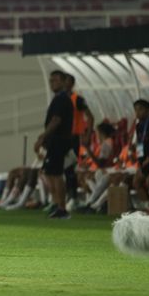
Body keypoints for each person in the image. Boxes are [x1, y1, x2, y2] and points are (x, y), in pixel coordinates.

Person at [34, 70, 73, 219]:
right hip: (55, 141)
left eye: (55, 80)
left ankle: (62, 207)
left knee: (56, 174)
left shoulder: (62, 99)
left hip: (59, 141)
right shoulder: (58, 99)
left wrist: (42, 137)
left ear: (64, 82)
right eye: (51, 81)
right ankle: (57, 205)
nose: (52, 83)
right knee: (49, 173)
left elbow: (56, 120)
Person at [63, 74, 94, 210]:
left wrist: (87, 135)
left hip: (74, 138)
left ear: (72, 83)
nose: (65, 83)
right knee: (63, 169)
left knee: (71, 168)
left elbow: (90, 116)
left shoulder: (78, 99)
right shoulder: (60, 99)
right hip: (62, 138)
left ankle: (73, 198)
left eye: (67, 81)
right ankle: (68, 197)